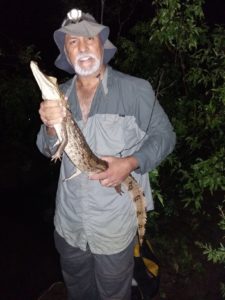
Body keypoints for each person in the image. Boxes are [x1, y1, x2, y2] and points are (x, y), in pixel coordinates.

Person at [36, 8, 176, 300]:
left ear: (102, 46)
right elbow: (46, 148)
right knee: (78, 290)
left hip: (113, 228)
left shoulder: (136, 90)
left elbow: (165, 137)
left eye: (89, 39)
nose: (83, 47)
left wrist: (130, 163)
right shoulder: (59, 95)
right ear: (66, 52)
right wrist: (50, 125)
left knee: (114, 294)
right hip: (69, 225)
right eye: (73, 42)